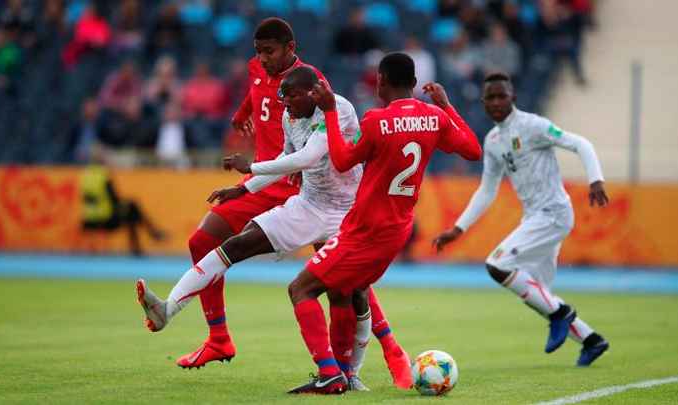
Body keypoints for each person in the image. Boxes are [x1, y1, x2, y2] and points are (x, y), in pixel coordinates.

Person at [147, 19, 411, 388]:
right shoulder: (289, 110)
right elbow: (287, 153)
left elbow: (307, 157)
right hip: (308, 204)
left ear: (310, 89)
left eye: (289, 97)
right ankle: (168, 309)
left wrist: (250, 166)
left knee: (350, 292)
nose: (282, 103)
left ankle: (354, 372)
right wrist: (244, 188)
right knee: (233, 245)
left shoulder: (336, 106)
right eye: (281, 97)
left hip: (347, 214)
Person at [284, 53, 482, 394]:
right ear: (415, 83)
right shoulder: (433, 116)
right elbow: (473, 151)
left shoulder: (376, 120)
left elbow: (344, 161)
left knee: (300, 289)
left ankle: (330, 372)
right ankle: (344, 373)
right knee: (343, 292)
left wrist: (330, 112)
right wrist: (448, 107)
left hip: (366, 231)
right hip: (398, 229)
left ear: (381, 81)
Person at [433, 72, 610, 367]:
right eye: (491, 97)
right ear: (484, 102)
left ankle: (561, 314)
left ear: (513, 97)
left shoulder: (533, 126)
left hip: (553, 213)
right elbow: (487, 190)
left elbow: (580, 144)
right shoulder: (492, 141)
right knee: (539, 294)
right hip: (535, 218)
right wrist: (458, 228)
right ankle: (592, 340)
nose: (496, 101)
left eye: (502, 95)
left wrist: (596, 180)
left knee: (498, 265)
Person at [81, 164, 166, 256]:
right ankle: (150, 235)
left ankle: (149, 236)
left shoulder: (85, 176)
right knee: (132, 209)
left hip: (89, 219)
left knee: (131, 212)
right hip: (105, 219)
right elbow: (114, 200)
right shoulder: (104, 176)